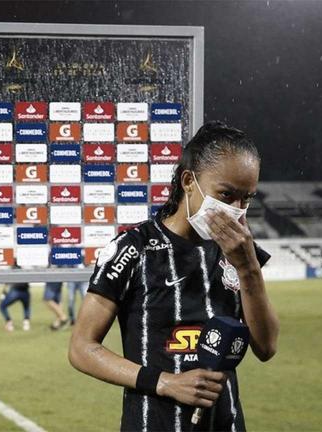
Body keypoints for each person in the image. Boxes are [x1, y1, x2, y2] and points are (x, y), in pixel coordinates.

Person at [69, 121, 279, 432]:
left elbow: (266, 347)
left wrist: (248, 269)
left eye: (246, 199)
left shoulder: (241, 253)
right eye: (225, 194)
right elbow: (81, 348)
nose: (236, 210)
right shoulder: (133, 250)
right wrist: (165, 382)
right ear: (188, 181)